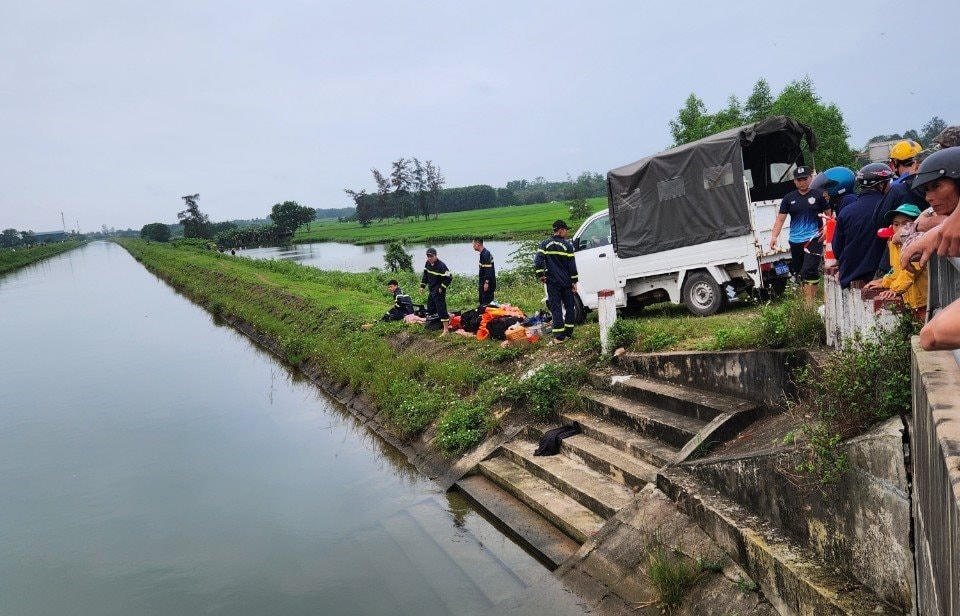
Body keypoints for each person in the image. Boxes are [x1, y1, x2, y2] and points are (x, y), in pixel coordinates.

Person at [769, 165, 830, 304]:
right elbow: (780, 219)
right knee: (800, 274)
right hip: (795, 241)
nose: (802, 182)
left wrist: (827, 229)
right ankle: (806, 305)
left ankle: (809, 305)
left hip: (814, 238)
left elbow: (829, 215)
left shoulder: (818, 195)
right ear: (795, 181)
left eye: (805, 179)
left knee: (810, 270)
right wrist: (774, 237)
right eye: (799, 180)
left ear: (810, 178)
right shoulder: (788, 198)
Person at [833, 163, 896, 288]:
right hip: (881, 280)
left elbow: (837, 249)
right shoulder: (890, 208)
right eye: (888, 183)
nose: (890, 186)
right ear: (881, 185)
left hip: (850, 279)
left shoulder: (845, 212)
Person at [900, 147, 960, 270]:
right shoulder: (930, 213)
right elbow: (905, 239)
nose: (928, 198)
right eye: (926, 190)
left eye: (936, 186)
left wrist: (938, 230)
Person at [864, 204, 926, 320]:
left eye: (905, 223)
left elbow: (911, 271)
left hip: (924, 298)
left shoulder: (918, 244)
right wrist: (884, 282)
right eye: (896, 224)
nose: (900, 228)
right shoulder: (893, 243)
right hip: (911, 297)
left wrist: (894, 289)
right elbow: (896, 270)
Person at [534, 220, 579, 344]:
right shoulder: (568, 246)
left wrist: (540, 275)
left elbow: (538, 260)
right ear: (560, 230)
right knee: (570, 307)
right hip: (566, 282)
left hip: (553, 283)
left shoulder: (544, 244)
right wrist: (574, 281)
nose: (566, 232)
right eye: (565, 230)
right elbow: (572, 266)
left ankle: (559, 337)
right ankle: (568, 333)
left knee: (556, 308)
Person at [420, 247, 452, 335]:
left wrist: (442, 287)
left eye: (431, 256)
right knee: (430, 308)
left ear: (435, 256)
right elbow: (425, 275)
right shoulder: (427, 263)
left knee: (441, 308)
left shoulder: (441, 266)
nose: (429, 258)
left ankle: (446, 330)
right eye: (428, 256)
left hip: (439, 291)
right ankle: (441, 321)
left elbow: (449, 277)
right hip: (431, 290)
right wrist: (422, 286)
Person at [472, 238, 496, 305]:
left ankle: (487, 314)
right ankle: (482, 314)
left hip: (487, 283)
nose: (473, 246)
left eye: (473, 244)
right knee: (482, 301)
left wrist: (486, 283)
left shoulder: (485, 254)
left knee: (486, 303)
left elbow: (488, 270)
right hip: (484, 282)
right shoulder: (483, 253)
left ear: (478, 244)